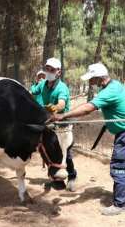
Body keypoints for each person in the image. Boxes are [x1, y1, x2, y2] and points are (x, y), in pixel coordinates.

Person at [52, 63, 125, 216]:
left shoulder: (109, 91)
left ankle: (121, 204)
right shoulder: (113, 85)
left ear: (99, 78)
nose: (90, 82)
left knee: (119, 164)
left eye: (91, 79)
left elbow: (88, 108)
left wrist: (64, 115)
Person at [32, 58, 78, 192]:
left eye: (52, 70)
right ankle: (54, 176)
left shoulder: (62, 88)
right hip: (49, 123)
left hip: (62, 125)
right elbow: (33, 92)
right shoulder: (43, 84)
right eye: (47, 69)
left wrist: (55, 108)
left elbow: (62, 103)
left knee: (65, 154)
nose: (49, 72)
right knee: (48, 150)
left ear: (59, 72)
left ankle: (72, 176)